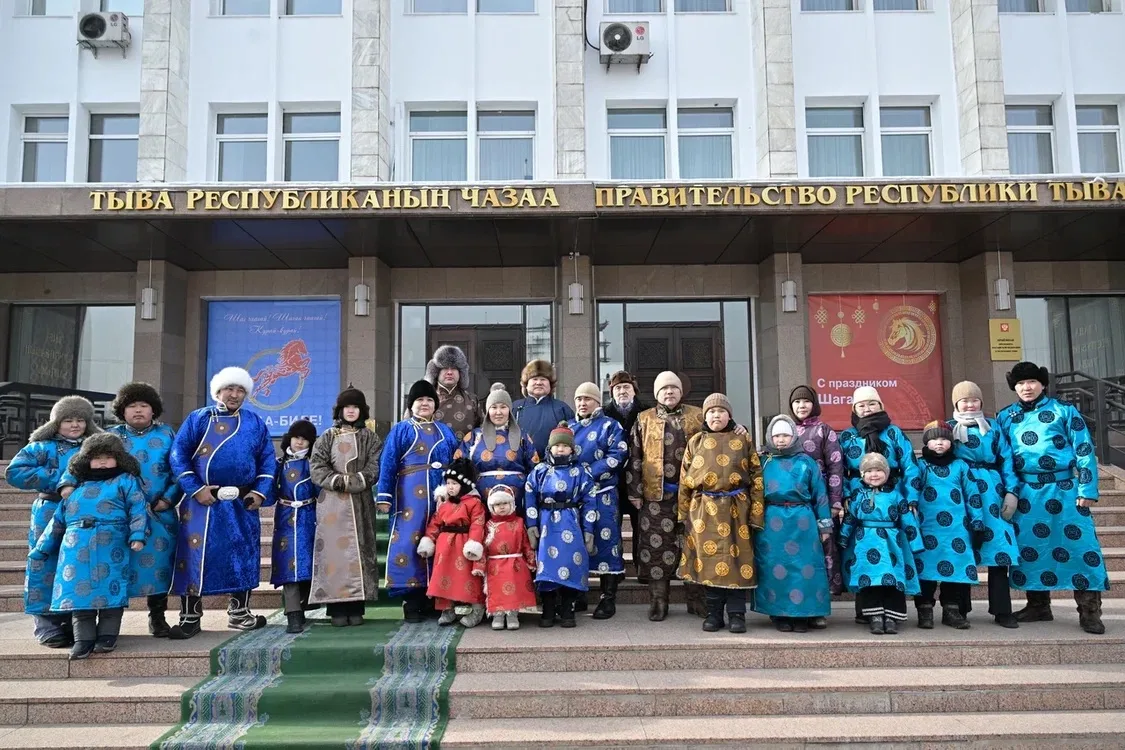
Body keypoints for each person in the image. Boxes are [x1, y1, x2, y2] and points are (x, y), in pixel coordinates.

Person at [997, 361, 1109, 635]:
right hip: (1026, 494)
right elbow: (1002, 457)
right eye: (1021, 383)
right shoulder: (1005, 416)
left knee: (1082, 550)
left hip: (1064, 490)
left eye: (1032, 382)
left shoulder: (1064, 411)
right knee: (1030, 550)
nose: (1026, 387)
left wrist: (1087, 489)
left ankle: (1089, 612)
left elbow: (1084, 449)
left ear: (1043, 384)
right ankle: (1038, 605)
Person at [168, 367, 276, 639]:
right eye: (229, 389)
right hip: (202, 502)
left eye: (240, 390)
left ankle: (240, 612)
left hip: (241, 501)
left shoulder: (254, 422)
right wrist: (195, 489)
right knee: (194, 555)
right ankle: (190, 616)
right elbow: (178, 454)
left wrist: (259, 492)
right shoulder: (198, 418)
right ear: (217, 391)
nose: (234, 395)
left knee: (242, 554)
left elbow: (267, 459)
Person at [29, 433, 146, 660]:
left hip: (112, 543)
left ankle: (107, 636)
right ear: (86, 460)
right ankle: (83, 640)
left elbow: (137, 508)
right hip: (75, 546)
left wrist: (138, 535)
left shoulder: (125, 481)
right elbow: (58, 519)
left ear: (119, 459)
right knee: (78, 594)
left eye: (108, 457)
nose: (102, 462)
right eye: (96, 458)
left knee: (111, 591)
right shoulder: (77, 485)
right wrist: (42, 547)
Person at [6, 395, 101, 648]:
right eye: (68, 420)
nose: (75, 425)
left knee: (79, 564)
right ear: (56, 422)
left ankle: (74, 623)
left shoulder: (95, 447)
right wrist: (61, 478)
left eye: (80, 420)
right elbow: (14, 472)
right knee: (45, 563)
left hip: (85, 513)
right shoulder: (41, 447)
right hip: (49, 510)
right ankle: (46, 626)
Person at [95, 383, 182, 638]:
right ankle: (111, 623)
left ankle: (158, 617)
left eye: (144, 405)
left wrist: (167, 500)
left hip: (159, 513)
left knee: (160, 566)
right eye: (132, 406)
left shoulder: (167, 434)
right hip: (119, 516)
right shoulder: (110, 437)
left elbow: (179, 471)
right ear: (122, 411)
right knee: (118, 566)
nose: (138, 410)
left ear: (153, 410)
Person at [677, 393, 763, 634]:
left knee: (738, 562)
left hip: (738, 510)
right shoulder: (695, 441)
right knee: (709, 563)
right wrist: (683, 514)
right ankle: (713, 614)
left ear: (729, 415)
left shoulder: (743, 439)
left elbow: (757, 477)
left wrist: (756, 514)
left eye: (721, 411)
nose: (716, 415)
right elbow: (684, 480)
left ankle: (737, 615)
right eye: (712, 412)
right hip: (704, 511)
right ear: (705, 416)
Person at [838, 386, 923, 623]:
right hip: (859, 501)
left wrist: (911, 497)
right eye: (861, 405)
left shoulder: (894, 433)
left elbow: (910, 465)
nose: (867, 409)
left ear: (880, 406)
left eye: (871, 404)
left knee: (892, 557)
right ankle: (866, 611)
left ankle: (892, 610)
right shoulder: (847, 436)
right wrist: (845, 495)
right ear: (854, 409)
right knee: (860, 556)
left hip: (892, 499)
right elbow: (838, 470)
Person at [628, 371, 709, 620]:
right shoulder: (644, 419)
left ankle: (696, 600)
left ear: (681, 392)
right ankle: (658, 601)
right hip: (655, 497)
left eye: (674, 388)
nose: (669, 392)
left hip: (693, 496)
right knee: (656, 549)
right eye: (664, 389)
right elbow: (635, 457)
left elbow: (718, 437)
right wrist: (634, 492)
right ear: (657, 394)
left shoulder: (699, 416)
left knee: (693, 546)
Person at [377, 380, 457, 623]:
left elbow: (456, 464)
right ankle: (411, 603)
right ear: (411, 404)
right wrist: (384, 496)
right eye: (420, 400)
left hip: (440, 498)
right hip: (409, 498)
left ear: (435, 405)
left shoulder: (445, 431)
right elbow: (388, 463)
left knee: (439, 542)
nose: (424, 403)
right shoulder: (401, 430)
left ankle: (434, 600)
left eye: (429, 400)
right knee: (408, 544)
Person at [947, 381, 1022, 628]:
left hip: (992, 491)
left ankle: (1002, 610)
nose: (970, 405)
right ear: (956, 403)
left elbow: (1007, 459)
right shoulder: (948, 427)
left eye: (974, 400)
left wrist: (1011, 492)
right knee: (961, 549)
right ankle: (959, 609)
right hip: (959, 492)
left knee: (999, 551)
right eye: (964, 401)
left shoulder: (993, 427)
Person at [309, 388, 383, 627]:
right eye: (347, 407)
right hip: (332, 504)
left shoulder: (370, 438)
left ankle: (356, 607)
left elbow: (374, 467)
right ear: (340, 410)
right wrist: (337, 482)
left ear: (362, 410)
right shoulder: (327, 436)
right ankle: (336, 609)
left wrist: (354, 482)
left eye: (355, 407)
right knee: (335, 555)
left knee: (359, 552)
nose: (351, 411)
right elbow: (317, 466)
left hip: (360, 503)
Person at [754, 415, 832, 633]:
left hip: (802, 520)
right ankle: (779, 614)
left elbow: (820, 494)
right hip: (771, 521)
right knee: (774, 566)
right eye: (776, 435)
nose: (781, 439)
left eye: (785, 435)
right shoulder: (763, 462)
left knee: (804, 566)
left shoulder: (806, 462)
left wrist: (824, 525)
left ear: (794, 437)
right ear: (770, 437)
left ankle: (803, 615)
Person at [840, 453, 924, 636]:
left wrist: (915, 543)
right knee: (870, 580)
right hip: (865, 543)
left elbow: (907, 520)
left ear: (886, 473)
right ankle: (875, 616)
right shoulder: (858, 496)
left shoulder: (896, 496)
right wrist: (843, 538)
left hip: (891, 543)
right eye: (869, 471)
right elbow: (850, 519)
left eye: (879, 470)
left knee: (892, 579)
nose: (874, 474)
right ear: (862, 474)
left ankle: (892, 617)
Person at [525, 422, 597, 629]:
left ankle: (567, 609)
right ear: (550, 448)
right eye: (557, 446)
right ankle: (548, 609)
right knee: (546, 567)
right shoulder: (540, 471)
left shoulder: (580, 472)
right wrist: (532, 525)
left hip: (571, 522)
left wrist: (588, 530)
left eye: (565, 446)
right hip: (546, 524)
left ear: (572, 449)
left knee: (570, 564)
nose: (561, 449)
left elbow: (590, 500)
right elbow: (529, 496)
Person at [914, 421, 985, 630]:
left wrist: (977, 523)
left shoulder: (960, 466)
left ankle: (952, 610)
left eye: (944, 439)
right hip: (926, 527)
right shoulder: (919, 466)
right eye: (934, 439)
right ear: (926, 443)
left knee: (956, 568)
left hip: (957, 529)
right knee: (925, 570)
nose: (939, 443)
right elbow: (911, 492)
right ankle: (924, 610)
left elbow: (972, 495)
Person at [569, 381, 628, 619]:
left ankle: (608, 598)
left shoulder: (610, 426)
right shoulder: (568, 427)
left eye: (587, 399)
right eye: (579, 399)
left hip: (603, 493)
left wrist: (587, 473)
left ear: (597, 402)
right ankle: (578, 594)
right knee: (576, 544)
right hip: (576, 497)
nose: (582, 403)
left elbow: (618, 455)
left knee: (606, 542)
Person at [788, 384, 845, 629]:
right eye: (797, 402)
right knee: (797, 553)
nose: (801, 406)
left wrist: (835, 502)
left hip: (819, 503)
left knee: (821, 552)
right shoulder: (785, 430)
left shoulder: (824, 430)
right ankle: (794, 606)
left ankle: (819, 608)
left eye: (806, 401)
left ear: (814, 404)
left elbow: (836, 467)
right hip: (792, 505)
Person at [417, 458, 486, 628]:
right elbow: (435, 523)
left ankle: (477, 609)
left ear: (465, 484)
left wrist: (473, 543)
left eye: (454, 483)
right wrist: (429, 540)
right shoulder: (444, 504)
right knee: (443, 575)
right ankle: (447, 609)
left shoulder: (474, 503)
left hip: (463, 545)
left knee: (467, 577)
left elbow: (477, 524)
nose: (450, 487)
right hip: (444, 547)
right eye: (448, 483)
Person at [455, 383, 539, 515]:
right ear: (488, 410)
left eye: (503, 407)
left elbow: (534, 469)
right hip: (481, 498)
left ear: (509, 410)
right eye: (494, 407)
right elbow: (459, 467)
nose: (498, 412)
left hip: (517, 497)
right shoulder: (474, 436)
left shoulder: (522, 436)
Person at [273, 419, 319, 634]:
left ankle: (305, 603)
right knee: (287, 563)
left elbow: (321, 492)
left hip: (309, 516)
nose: (299, 442)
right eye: (296, 438)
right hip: (285, 516)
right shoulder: (278, 463)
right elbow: (268, 490)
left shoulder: (314, 464)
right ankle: (293, 613)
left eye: (305, 439)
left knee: (307, 561)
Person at [602, 370, 649, 582]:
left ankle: (642, 568)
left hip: (641, 480)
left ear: (634, 391)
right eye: (618, 388)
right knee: (613, 527)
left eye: (626, 387)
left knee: (642, 527)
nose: (622, 391)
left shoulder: (646, 411)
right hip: (613, 480)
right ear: (612, 392)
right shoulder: (604, 413)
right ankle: (616, 570)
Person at [475, 485, 537, 631]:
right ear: (491, 507)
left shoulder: (519, 522)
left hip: (515, 563)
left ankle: (512, 615)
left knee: (514, 589)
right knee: (497, 590)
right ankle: (498, 615)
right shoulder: (488, 525)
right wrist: (479, 566)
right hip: (495, 564)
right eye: (497, 504)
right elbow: (482, 547)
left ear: (512, 504)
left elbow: (526, 544)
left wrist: (531, 561)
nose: (502, 507)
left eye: (505, 503)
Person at [512, 360, 575, 458]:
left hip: (553, 464)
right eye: (534, 379)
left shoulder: (562, 408)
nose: (539, 383)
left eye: (543, 379)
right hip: (521, 463)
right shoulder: (515, 408)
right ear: (526, 384)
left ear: (550, 384)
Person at [425, 344, 481, 442]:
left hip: (464, 451)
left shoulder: (472, 400)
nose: (449, 372)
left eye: (454, 368)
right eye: (445, 368)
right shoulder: (422, 399)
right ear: (436, 372)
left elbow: (482, 431)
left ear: (461, 373)